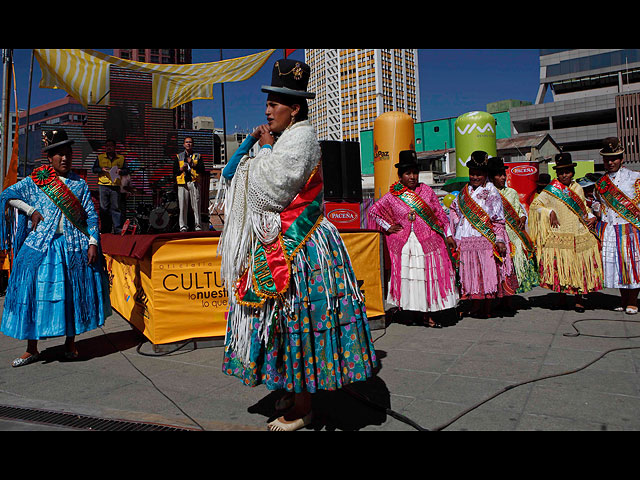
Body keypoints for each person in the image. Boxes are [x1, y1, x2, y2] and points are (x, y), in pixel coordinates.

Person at [217, 59, 378, 432]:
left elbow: (272, 190)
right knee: (283, 322)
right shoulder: (285, 138)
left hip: (302, 246)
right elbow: (240, 175)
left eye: (276, 103)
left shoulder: (301, 138)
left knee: (298, 319)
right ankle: (293, 388)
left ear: (296, 108)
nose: (268, 109)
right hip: (285, 241)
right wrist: (256, 146)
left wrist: (266, 149)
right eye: (268, 102)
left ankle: (304, 406)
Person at [0, 129, 111, 367]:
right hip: (41, 246)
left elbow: (91, 216)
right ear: (49, 158)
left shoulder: (79, 184)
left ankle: (70, 344)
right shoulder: (38, 181)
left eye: (67, 154)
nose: (64, 159)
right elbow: (7, 195)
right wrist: (30, 211)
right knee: (34, 295)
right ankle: (32, 348)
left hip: (71, 247)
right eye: (59, 154)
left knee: (71, 296)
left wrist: (92, 242)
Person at [367, 150, 458, 327]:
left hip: (428, 242)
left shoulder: (427, 191)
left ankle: (429, 314)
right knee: (412, 279)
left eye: (415, 173)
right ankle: (414, 312)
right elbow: (374, 211)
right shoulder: (393, 195)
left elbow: (440, 215)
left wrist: (447, 235)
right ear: (400, 176)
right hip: (406, 244)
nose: (412, 176)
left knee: (427, 278)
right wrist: (388, 227)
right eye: (408, 173)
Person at [529, 152, 603, 312]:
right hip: (560, 233)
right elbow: (535, 205)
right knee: (561, 267)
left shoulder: (578, 188)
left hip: (578, 232)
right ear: (557, 173)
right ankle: (561, 298)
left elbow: (584, 207)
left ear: (572, 172)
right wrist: (549, 212)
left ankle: (579, 300)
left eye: (567, 172)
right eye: (561, 172)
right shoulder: (551, 190)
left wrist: (592, 217)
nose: (564, 175)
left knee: (579, 267)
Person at [449, 151, 518, 319]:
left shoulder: (492, 192)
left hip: (485, 238)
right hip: (466, 238)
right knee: (470, 272)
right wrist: (456, 228)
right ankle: (475, 304)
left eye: (478, 174)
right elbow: (453, 209)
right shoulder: (465, 191)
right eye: (472, 173)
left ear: (485, 174)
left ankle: (486, 307)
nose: (475, 177)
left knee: (486, 274)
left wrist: (500, 240)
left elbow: (498, 219)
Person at [593, 137, 640, 314]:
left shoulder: (635, 178)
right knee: (617, 265)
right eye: (607, 159)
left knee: (632, 264)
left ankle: (633, 301)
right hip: (611, 229)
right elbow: (596, 202)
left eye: (614, 158)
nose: (610, 162)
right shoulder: (600, 183)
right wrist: (596, 209)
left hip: (630, 228)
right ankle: (623, 299)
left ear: (622, 158)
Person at [488, 157, 539, 303]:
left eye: (504, 174)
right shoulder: (487, 193)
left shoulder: (511, 192)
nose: (503, 177)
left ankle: (508, 300)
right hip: (495, 236)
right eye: (499, 175)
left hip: (512, 235)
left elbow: (520, 210)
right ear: (491, 177)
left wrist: (522, 218)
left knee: (510, 270)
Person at [92, 138, 129, 234]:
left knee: (116, 208)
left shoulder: (121, 158)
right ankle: (105, 230)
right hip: (103, 185)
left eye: (111, 146)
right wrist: (101, 169)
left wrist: (120, 171)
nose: (109, 148)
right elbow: (94, 169)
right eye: (107, 146)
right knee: (104, 208)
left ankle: (118, 229)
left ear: (114, 147)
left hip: (115, 185)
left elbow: (127, 171)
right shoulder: (100, 157)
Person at [174, 136, 205, 232]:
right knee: (182, 205)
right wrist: (181, 169)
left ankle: (198, 225)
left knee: (196, 205)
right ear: (184, 144)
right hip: (182, 183)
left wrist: (193, 164)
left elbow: (202, 170)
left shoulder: (197, 156)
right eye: (187, 142)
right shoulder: (179, 156)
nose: (188, 144)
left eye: (190, 142)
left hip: (194, 182)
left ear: (193, 144)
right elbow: (174, 171)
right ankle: (183, 226)